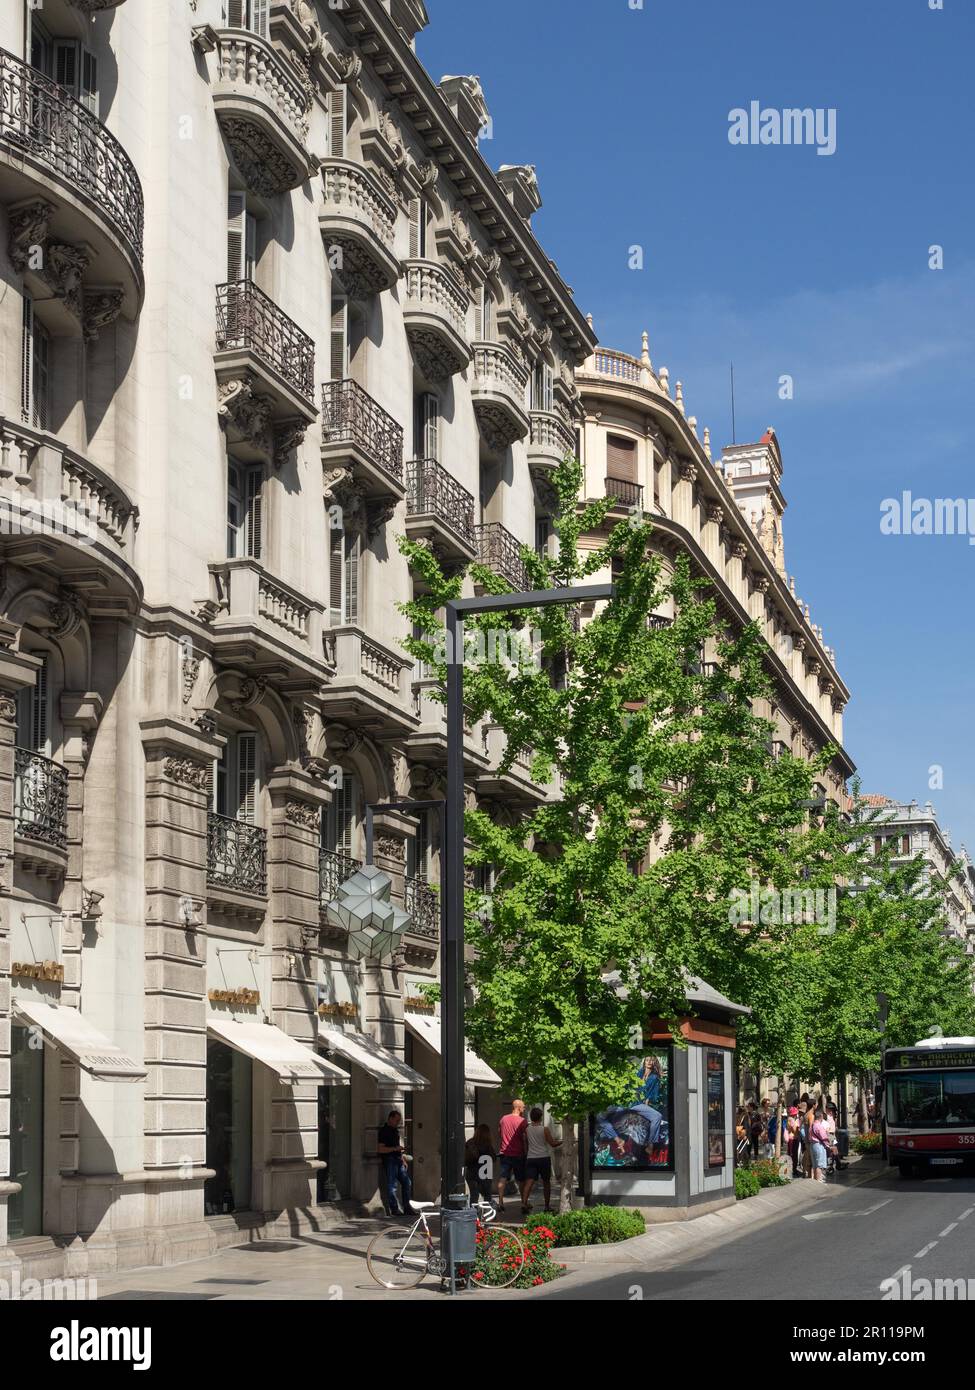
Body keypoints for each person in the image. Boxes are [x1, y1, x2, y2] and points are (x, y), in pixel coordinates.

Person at [521, 1107, 562, 1213]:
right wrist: (563, 1141)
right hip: (543, 1157)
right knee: (546, 1182)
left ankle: (524, 1203)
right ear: (540, 1117)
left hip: (531, 1158)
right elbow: (552, 1144)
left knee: (529, 1181)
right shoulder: (544, 1129)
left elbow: (525, 1144)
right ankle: (547, 1206)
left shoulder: (527, 1129)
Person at [376, 1110, 412, 1217]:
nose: (397, 1123)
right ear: (390, 1119)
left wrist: (402, 1159)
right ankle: (394, 1209)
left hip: (397, 1159)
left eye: (399, 1121)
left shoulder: (395, 1131)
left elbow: (397, 1146)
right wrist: (395, 1149)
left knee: (407, 1182)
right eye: (396, 1120)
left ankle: (407, 1207)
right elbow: (380, 1149)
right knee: (392, 1186)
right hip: (390, 1160)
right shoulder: (384, 1131)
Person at [497, 1098, 528, 1211]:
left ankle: (500, 1202)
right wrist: (526, 1152)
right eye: (523, 1107)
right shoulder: (522, 1121)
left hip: (505, 1152)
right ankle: (523, 1203)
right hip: (518, 1153)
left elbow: (500, 1132)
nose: (524, 1108)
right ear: (518, 1107)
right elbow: (525, 1138)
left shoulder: (503, 1119)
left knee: (503, 1178)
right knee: (521, 1179)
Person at [464, 1123, 496, 1206]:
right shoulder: (488, 1145)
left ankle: (473, 1214)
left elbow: (465, 1160)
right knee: (487, 1195)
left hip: (472, 1173)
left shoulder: (470, 1142)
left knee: (474, 1195)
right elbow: (493, 1158)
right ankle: (487, 1213)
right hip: (485, 1173)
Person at [809, 1107, 831, 1182]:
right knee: (819, 1164)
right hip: (819, 1145)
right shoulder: (819, 1126)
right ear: (821, 1116)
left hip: (812, 1144)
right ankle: (819, 1180)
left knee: (815, 1164)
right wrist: (828, 1145)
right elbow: (824, 1137)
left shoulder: (812, 1125)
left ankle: (815, 1180)